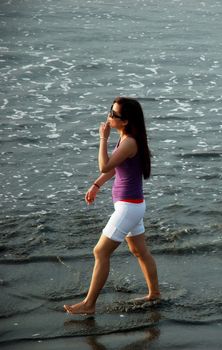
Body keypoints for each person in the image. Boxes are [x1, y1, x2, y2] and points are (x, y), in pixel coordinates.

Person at [64, 97, 160, 315]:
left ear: (125, 121)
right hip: (132, 206)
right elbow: (115, 168)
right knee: (139, 251)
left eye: (113, 114)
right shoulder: (127, 139)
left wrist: (102, 139)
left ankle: (89, 304)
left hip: (129, 208)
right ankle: (154, 294)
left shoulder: (128, 142)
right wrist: (96, 185)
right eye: (110, 111)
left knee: (100, 252)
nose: (109, 116)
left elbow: (105, 164)